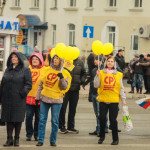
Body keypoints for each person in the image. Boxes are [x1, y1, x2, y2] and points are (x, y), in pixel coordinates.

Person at [35, 54, 72, 147]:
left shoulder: (64, 72)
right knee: (42, 120)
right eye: (54, 58)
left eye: (57, 59)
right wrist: (37, 97)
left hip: (56, 100)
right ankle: (41, 140)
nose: (55, 60)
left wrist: (62, 78)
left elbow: (64, 87)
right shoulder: (47, 70)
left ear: (61, 61)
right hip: (44, 98)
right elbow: (41, 84)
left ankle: (53, 140)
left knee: (55, 121)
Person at [0, 51, 32, 147]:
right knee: (8, 119)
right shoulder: (7, 70)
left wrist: (22, 93)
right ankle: (9, 139)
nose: (13, 58)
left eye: (15, 57)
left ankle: (16, 139)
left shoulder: (25, 70)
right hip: (7, 98)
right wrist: (1, 97)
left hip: (19, 99)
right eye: (12, 57)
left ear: (19, 59)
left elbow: (28, 84)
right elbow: (3, 84)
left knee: (17, 119)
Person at [94, 55, 126, 145]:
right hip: (103, 99)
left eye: (112, 61)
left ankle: (115, 139)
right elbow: (96, 85)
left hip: (114, 100)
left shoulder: (118, 74)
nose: (110, 63)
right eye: (108, 61)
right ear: (106, 63)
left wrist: (123, 99)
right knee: (102, 118)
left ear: (114, 63)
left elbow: (121, 88)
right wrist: (96, 76)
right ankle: (101, 137)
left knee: (113, 120)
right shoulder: (100, 73)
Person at [59, 56, 86, 134]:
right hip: (65, 89)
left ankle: (71, 126)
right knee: (62, 108)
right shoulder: (65, 61)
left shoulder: (80, 62)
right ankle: (61, 126)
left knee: (72, 109)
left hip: (75, 89)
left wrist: (81, 81)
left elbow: (84, 73)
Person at [25, 52, 44, 141]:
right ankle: (29, 134)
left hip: (39, 98)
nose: (34, 61)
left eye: (36, 59)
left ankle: (37, 134)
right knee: (28, 116)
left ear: (40, 60)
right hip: (28, 97)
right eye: (33, 59)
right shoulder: (27, 69)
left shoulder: (44, 70)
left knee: (38, 117)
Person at [89, 55, 102, 137]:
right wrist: (90, 95)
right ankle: (98, 128)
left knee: (99, 113)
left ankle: (100, 130)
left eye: (96, 59)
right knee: (96, 113)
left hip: (99, 94)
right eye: (95, 59)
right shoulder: (94, 70)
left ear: (101, 61)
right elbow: (92, 83)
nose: (95, 61)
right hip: (94, 93)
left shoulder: (103, 70)